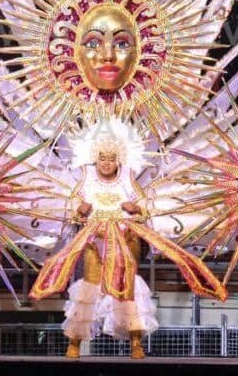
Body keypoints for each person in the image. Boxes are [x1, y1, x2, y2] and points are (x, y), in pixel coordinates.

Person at [61, 130, 157, 359]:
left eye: (111, 159)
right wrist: (78, 210)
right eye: (102, 158)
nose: (106, 163)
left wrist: (137, 209)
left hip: (124, 243)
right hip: (96, 243)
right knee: (89, 289)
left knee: (127, 289)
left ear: (118, 160)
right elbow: (72, 209)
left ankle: (136, 342)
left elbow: (145, 209)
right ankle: (74, 341)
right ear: (95, 159)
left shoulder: (128, 179)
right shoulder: (86, 179)